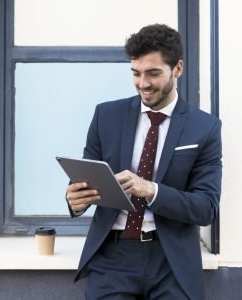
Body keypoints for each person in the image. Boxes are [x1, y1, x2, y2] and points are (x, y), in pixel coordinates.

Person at [66, 24, 222, 300]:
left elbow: (205, 208)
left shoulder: (205, 128)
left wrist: (151, 190)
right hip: (113, 258)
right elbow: (84, 179)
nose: (143, 83)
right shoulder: (106, 116)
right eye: (136, 73)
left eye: (153, 73)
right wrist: (75, 200)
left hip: (171, 261)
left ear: (178, 69)